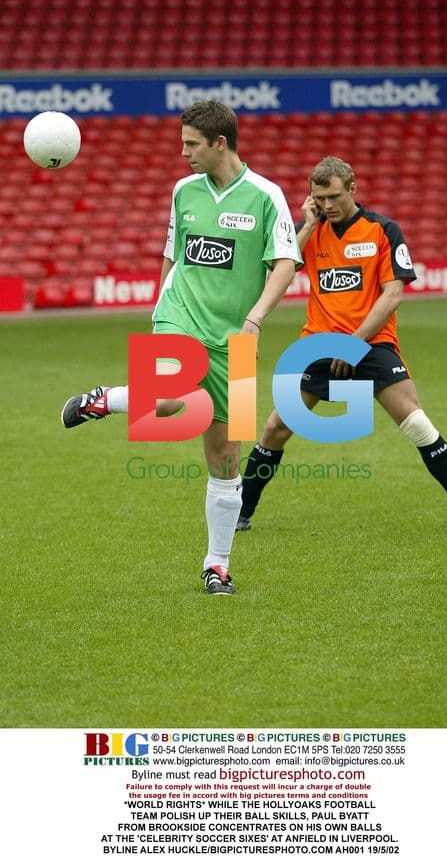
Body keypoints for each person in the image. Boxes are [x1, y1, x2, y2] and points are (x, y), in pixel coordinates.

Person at [61, 99, 302, 594]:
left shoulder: (265, 195)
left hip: (236, 340)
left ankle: (217, 565)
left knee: (226, 457)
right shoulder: (183, 191)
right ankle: (105, 399)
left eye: (192, 144)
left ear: (220, 143)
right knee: (170, 398)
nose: (184, 152)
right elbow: (173, 255)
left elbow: (284, 263)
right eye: (182, 143)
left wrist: (255, 320)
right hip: (181, 316)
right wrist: (160, 308)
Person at [237, 155, 447, 535]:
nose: (327, 205)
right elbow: (280, 270)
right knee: (275, 428)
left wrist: (354, 343)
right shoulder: (311, 230)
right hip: (318, 346)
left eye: (334, 196)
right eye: (320, 198)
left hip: (371, 343)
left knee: (416, 422)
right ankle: (240, 513)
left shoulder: (383, 230)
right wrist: (308, 224)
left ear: (353, 189)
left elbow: (393, 294)